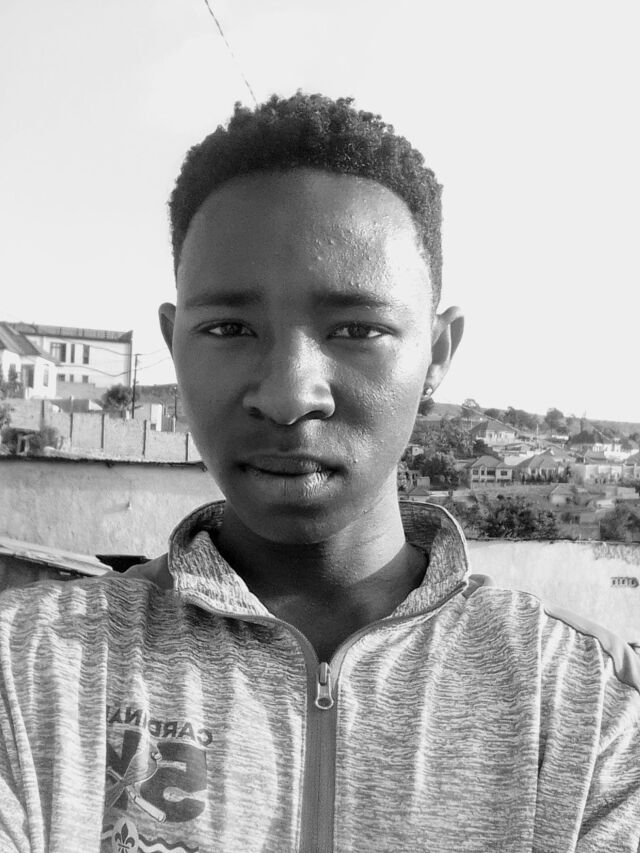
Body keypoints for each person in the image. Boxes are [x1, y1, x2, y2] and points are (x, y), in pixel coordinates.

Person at [0, 93, 639, 853]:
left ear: (437, 352)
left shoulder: (583, 707)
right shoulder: (30, 671)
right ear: (174, 343)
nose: (288, 394)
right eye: (229, 328)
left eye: (357, 329)